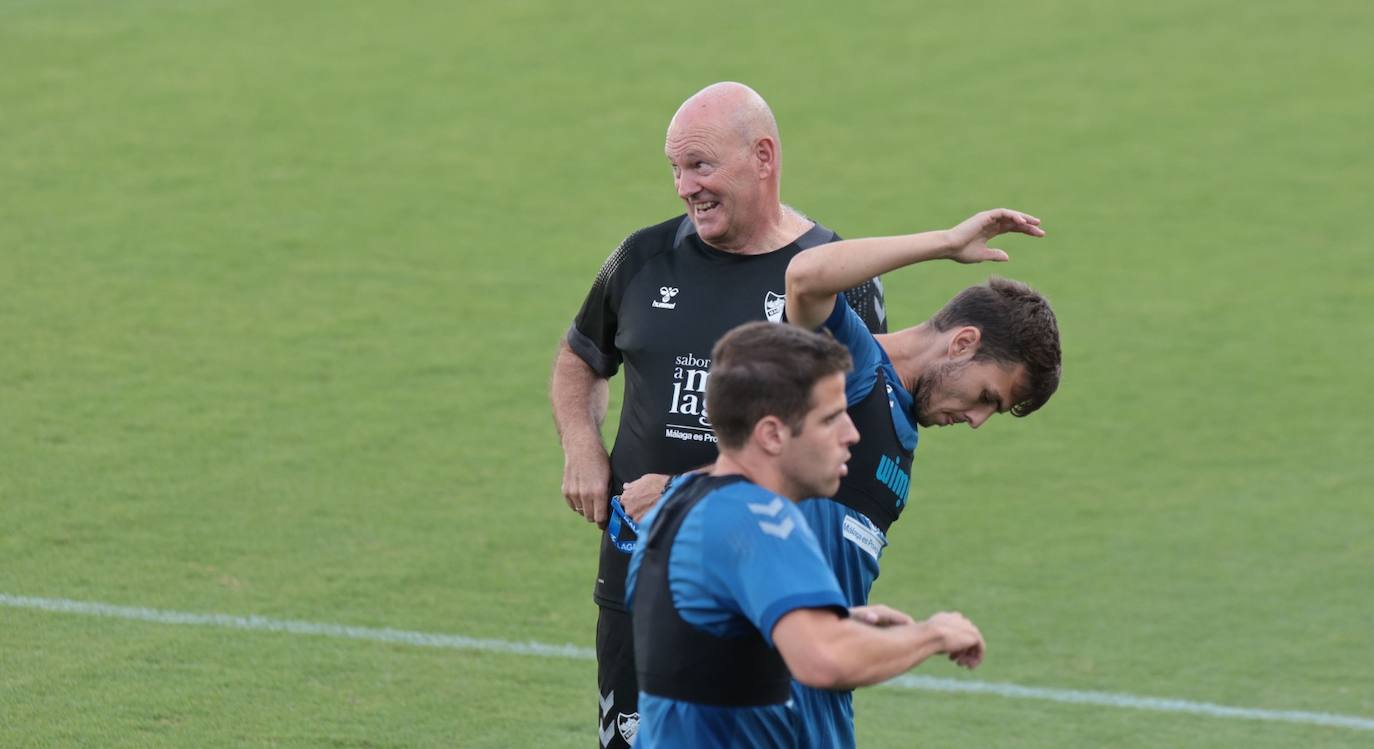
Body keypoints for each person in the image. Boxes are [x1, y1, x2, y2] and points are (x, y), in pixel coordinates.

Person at [549, 81, 886, 748]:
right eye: (674, 168)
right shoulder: (643, 258)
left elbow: (848, 437)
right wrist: (582, 446)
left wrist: (684, 492)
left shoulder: (826, 278)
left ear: (762, 157)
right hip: (637, 578)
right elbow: (578, 358)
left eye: (699, 165)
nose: (683, 186)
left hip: (764, 587)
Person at [625, 322, 985, 748]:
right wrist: (935, 633)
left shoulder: (679, 503)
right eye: (831, 418)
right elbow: (825, 662)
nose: (852, 434)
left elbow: (702, 641)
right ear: (773, 434)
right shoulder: (758, 518)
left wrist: (831, 620)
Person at [781, 208, 1063, 746]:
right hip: (766, 707)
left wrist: (857, 620)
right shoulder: (851, 368)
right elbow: (804, 277)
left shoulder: (903, 433)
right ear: (962, 342)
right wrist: (944, 243)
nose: (977, 421)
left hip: (822, 713)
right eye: (986, 397)